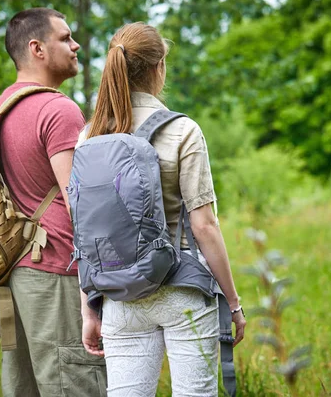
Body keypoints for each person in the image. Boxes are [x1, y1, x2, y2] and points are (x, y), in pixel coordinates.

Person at [78, 22, 246, 396]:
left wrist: (89, 308)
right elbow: (204, 226)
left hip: (118, 298)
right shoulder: (183, 130)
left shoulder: (88, 136)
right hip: (181, 288)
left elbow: (86, 233)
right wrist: (232, 304)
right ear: (159, 68)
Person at [0, 8, 107, 397]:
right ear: (36, 48)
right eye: (65, 38)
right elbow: (80, 202)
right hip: (57, 268)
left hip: (14, 270)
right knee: (75, 380)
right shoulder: (58, 109)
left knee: (25, 386)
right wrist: (95, 291)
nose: (75, 46)